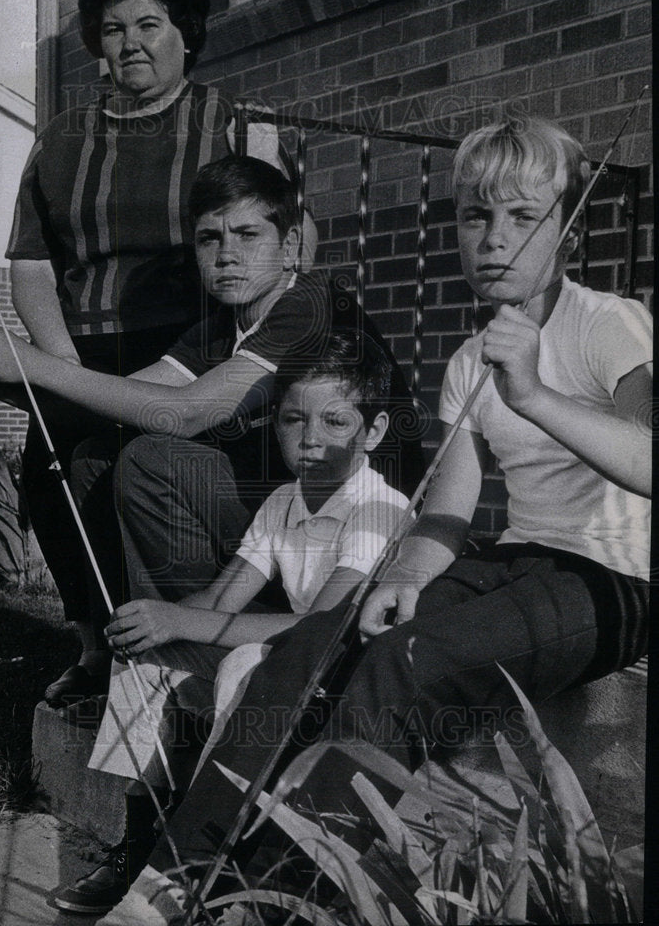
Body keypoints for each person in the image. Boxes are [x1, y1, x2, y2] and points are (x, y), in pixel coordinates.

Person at [90, 116, 651, 925]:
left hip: (617, 583)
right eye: (475, 216)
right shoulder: (470, 359)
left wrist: (534, 394)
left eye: (522, 216)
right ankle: (175, 875)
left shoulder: (610, 324)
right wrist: (405, 575)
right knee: (315, 639)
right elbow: (450, 511)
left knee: (409, 664)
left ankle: (279, 897)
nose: (495, 240)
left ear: (563, 224)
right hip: (516, 558)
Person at [0, 153, 423, 664]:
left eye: (247, 234)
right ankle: (141, 639)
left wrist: (30, 363)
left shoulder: (309, 303)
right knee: (95, 459)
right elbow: (128, 399)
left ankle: (191, 652)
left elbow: (187, 412)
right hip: (293, 514)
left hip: (368, 527)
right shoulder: (223, 324)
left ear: (291, 246)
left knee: (153, 460)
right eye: (210, 238)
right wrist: (8, 383)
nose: (226, 254)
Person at [5, 0, 295, 706]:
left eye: (149, 24)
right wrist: (63, 365)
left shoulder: (232, 126)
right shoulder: (62, 137)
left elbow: (287, 235)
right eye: (111, 29)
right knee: (58, 477)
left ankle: (183, 644)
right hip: (80, 341)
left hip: (193, 346)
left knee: (142, 477)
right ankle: (96, 647)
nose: (130, 43)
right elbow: (32, 261)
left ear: (187, 32)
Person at [53, 329, 410, 914]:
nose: (311, 439)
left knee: (242, 663)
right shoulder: (284, 501)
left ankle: (213, 853)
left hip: (350, 684)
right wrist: (147, 622)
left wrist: (179, 620)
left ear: (373, 432)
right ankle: (142, 838)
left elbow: (324, 630)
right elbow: (222, 599)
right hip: (295, 660)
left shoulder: (380, 511)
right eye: (293, 420)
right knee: (148, 655)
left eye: (335, 423)